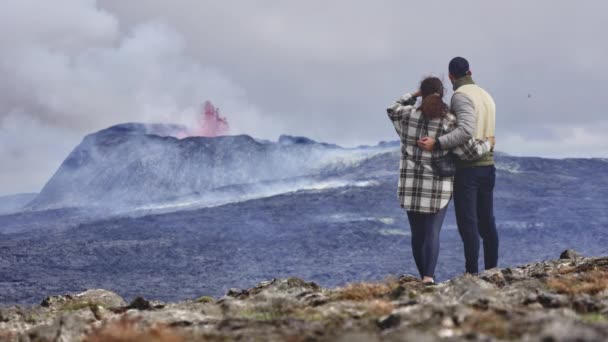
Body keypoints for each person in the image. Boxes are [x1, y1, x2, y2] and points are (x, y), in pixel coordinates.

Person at [387, 76, 494, 284]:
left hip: (411, 186)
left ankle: (424, 278)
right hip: (437, 188)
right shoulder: (449, 121)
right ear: (442, 93)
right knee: (432, 233)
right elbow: (469, 151)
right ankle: (429, 277)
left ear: (422, 93)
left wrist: (414, 94)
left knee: (417, 236)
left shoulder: (407, 116)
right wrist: (488, 144)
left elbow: (392, 108)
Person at [418, 57, 498, 274]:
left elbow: (465, 131)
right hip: (488, 165)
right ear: (470, 71)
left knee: (468, 224)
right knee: (487, 222)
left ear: (451, 77)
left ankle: (471, 273)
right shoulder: (486, 96)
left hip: (468, 168)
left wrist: (438, 143)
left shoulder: (461, 96)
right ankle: (493, 270)